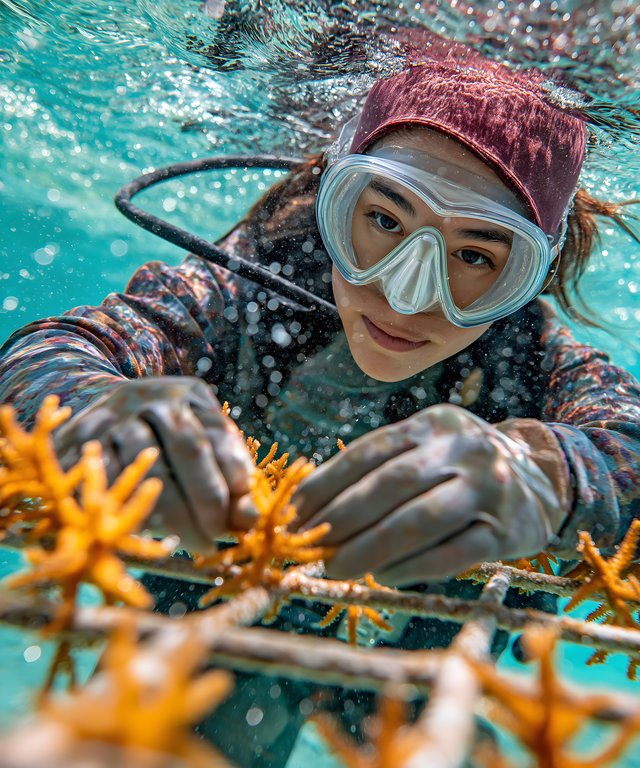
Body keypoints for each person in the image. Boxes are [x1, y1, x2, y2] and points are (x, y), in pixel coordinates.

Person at [1, 37, 639, 765]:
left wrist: (551, 471)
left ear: (528, 277)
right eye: (385, 222)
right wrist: (88, 407)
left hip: (428, 639)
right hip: (221, 598)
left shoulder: (530, 350)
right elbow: (59, 349)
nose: (404, 293)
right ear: (337, 200)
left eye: (474, 257)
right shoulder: (249, 280)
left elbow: (630, 438)